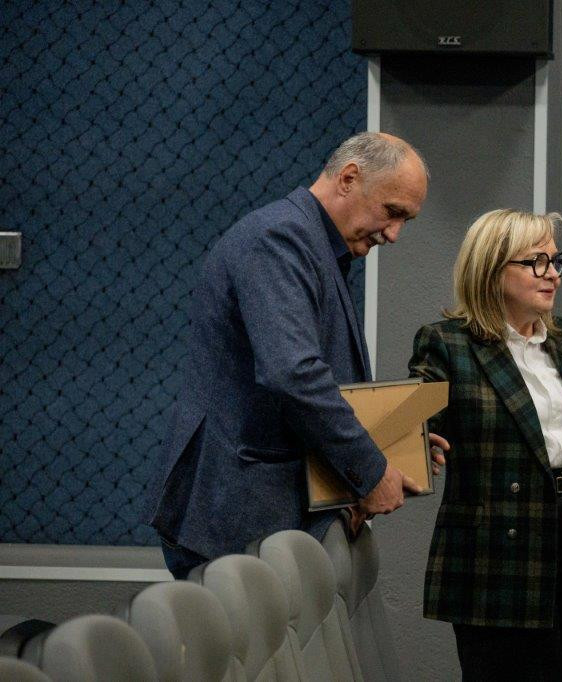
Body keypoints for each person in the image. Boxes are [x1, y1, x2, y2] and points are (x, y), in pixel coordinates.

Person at [147, 132, 445, 578]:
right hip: (235, 515)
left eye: (406, 219)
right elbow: (293, 374)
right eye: (392, 211)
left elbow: (312, 378)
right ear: (348, 178)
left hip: (259, 514)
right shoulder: (279, 238)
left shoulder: (311, 242)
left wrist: (395, 446)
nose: (394, 234)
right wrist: (369, 468)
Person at [408, 209, 562, 681]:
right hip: (499, 560)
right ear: (492, 270)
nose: (552, 273)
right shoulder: (448, 344)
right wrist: (416, 444)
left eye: (557, 261)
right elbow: (415, 425)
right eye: (537, 261)